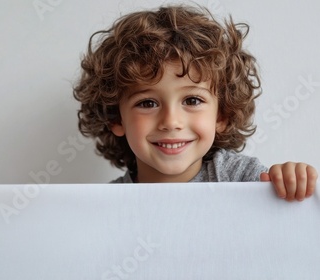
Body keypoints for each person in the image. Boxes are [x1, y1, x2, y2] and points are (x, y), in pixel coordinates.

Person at [73, 4, 317, 201]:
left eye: (192, 100)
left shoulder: (242, 179)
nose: (171, 122)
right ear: (116, 117)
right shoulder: (105, 203)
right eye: (147, 103)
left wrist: (290, 181)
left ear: (222, 115)